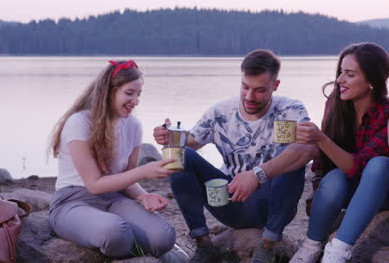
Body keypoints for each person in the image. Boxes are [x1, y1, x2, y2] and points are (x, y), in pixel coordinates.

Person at [153, 50, 316, 263]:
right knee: (181, 154)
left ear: (275, 86)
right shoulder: (220, 112)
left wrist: (257, 175)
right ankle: (204, 245)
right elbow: (188, 142)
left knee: (294, 149)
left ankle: (266, 246)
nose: (249, 96)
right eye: (245, 87)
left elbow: (309, 149)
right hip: (230, 202)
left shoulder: (289, 109)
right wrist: (167, 135)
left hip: (273, 203)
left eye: (259, 90)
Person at [48, 60, 180, 260]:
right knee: (115, 232)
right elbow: (93, 185)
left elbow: (127, 180)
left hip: (114, 199)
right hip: (72, 202)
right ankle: (106, 236)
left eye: (138, 94)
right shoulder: (80, 122)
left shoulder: (133, 126)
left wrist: (144, 196)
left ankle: (121, 242)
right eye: (129, 93)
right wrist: (145, 171)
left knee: (163, 238)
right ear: (108, 91)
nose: (135, 101)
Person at [291, 42, 389, 263]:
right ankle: (312, 246)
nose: (339, 80)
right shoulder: (335, 103)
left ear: (372, 81)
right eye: (340, 72)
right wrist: (317, 185)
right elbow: (323, 163)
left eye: (350, 74)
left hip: (381, 189)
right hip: (350, 187)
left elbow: (359, 167)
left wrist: (321, 139)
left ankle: (337, 252)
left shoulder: (386, 115)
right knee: (333, 178)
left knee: (380, 164)